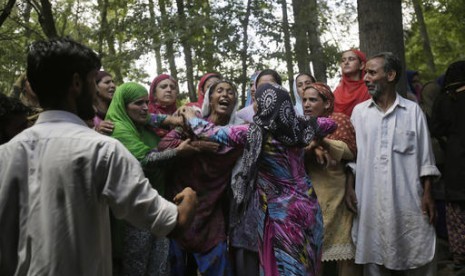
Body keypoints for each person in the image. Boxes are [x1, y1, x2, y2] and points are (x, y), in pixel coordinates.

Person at [0, 37, 197, 275]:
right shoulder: (102, 151)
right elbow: (171, 223)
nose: (97, 90)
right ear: (77, 83)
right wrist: (189, 197)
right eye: (94, 80)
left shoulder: (6, 154)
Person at [180, 83, 337, 275]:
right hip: (308, 205)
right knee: (309, 262)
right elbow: (330, 124)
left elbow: (210, 133)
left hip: (279, 212)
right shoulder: (301, 127)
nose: (253, 104)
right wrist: (298, 124)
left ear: (266, 104)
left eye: (257, 101)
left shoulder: (255, 133)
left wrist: (189, 117)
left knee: (285, 266)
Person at [345, 52, 440, 275]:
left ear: (390, 75)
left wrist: (427, 193)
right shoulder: (359, 113)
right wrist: (349, 186)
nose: (365, 78)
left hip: (407, 197)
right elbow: (353, 156)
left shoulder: (412, 111)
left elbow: (426, 158)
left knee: (416, 251)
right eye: (365, 73)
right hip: (369, 198)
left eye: (371, 72)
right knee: (373, 252)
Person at [105, 82, 196, 275]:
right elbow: (145, 160)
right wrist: (178, 152)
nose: (145, 107)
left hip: (156, 202)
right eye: (138, 103)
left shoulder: (140, 123)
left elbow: (155, 118)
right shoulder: (119, 128)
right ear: (123, 105)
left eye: (147, 102)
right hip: (133, 211)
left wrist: (175, 120)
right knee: (137, 266)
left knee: (160, 267)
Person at [158, 80, 241, 275]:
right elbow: (163, 146)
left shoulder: (237, 133)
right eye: (219, 91)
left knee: (219, 266)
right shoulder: (188, 125)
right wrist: (195, 147)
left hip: (211, 211)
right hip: (182, 204)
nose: (225, 95)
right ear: (210, 99)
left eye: (230, 92)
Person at [301, 83, 360, 276]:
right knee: (314, 256)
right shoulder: (300, 125)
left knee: (345, 254)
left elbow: (350, 152)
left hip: (338, 196)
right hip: (310, 199)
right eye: (304, 100)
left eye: (313, 100)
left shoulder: (339, 120)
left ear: (327, 103)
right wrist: (312, 147)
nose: (307, 104)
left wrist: (322, 141)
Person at [431, 61, 465, 272]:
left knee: (457, 209)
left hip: (455, 158)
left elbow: (435, 128)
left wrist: (448, 141)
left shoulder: (445, 100)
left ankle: (460, 254)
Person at [333, 49, 370, 117]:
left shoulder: (369, 88)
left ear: (361, 65)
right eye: (343, 60)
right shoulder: (337, 92)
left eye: (351, 59)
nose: (346, 62)